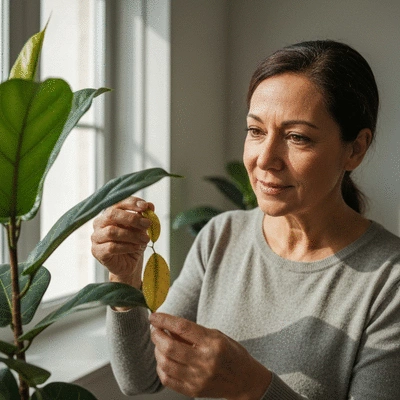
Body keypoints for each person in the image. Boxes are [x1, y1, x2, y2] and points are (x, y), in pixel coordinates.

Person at [91, 40, 400, 400]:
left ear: (355, 149)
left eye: (297, 137)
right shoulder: (221, 236)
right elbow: (141, 378)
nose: (265, 159)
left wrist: (253, 386)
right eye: (255, 131)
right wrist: (125, 277)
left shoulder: (389, 281)